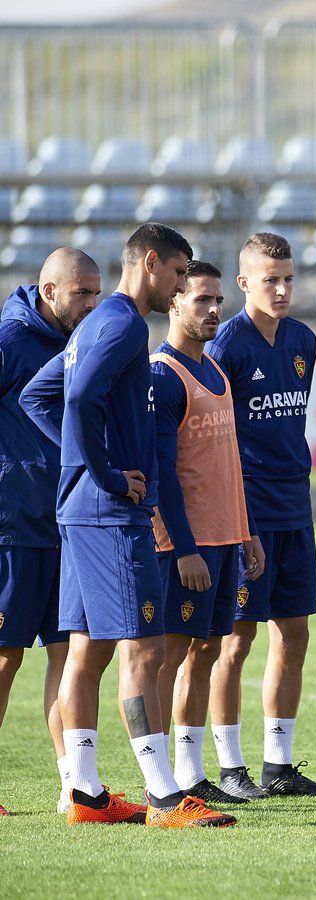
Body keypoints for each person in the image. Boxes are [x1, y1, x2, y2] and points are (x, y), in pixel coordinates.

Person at [21, 223, 234, 827]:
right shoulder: (120, 324)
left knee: (85, 653)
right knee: (142, 649)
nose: (180, 285)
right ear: (149, 262)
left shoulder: (93, 325)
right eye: (177, 272)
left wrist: (84, 462)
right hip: (111, 514)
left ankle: (85, 793)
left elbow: (41, 398)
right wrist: (110, 472)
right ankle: (165, 795)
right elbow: (78, 399)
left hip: (81, 511)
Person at [207, 233, 316, 799]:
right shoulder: (225, 346)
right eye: (271, 280)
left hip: (296, 507)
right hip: (247, 513)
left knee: (295, 632)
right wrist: (237, 519)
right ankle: (231, 767)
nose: (283, 289)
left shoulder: (303, 340)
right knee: (235, 641)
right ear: (244, 283)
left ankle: (278, 765)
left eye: (289, 278)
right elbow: (214, 439)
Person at [150, 261, 264, 805]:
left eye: (218, 299)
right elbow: (162, 471)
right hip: (186, 548)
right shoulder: (162, 374)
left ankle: (192, 773)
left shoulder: (216, 371)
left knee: (208, 650)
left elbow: (229, 464)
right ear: (174, 301)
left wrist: (247, 532)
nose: (214, 309)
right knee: (168, 656)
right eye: (200, 299)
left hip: (225, 538)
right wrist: (182, 549)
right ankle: (158, 778)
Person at [0, 248, 100, 815]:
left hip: (66, 523)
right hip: (14, 526)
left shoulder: (81, 340)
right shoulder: (11, 342)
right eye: (80, 293)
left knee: (68, 654)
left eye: (96, 293)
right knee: (5, 658)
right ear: (48, 290)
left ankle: (74, 784)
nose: (91, 304)